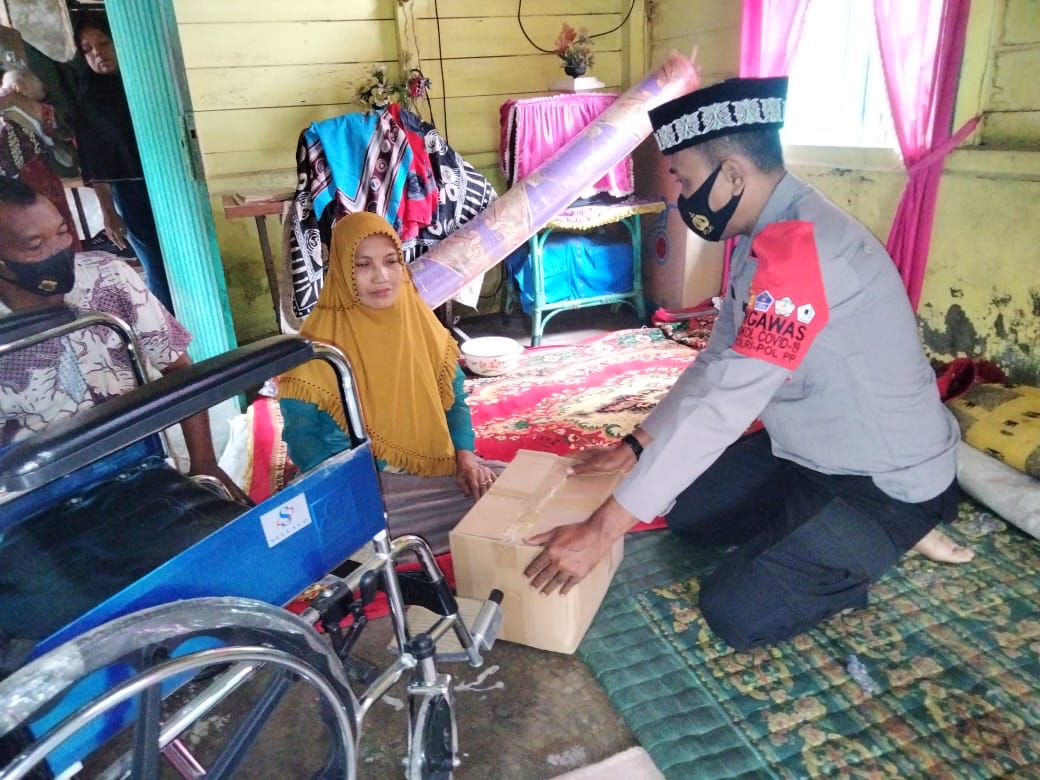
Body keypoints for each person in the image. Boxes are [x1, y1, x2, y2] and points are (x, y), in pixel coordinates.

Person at [523, 76, 970, 650]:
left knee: (735, 611)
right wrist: (635, 445)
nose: (682, 196)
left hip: (884, 482)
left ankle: (899, 531)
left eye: (685, 180)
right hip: (807, 453)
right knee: (689, 513)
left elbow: (727, 404)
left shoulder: (801, 250)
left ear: (732, 175)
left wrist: (600, 530)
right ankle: (815, 530)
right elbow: (716, 362)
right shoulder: (767, 233)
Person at [0, 176, 245, 503]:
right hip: (34, 498)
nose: (59, 249)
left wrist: (204, 464)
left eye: (62, 232)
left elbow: (178, 369)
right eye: (35, 245)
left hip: (140, 464)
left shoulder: (108, 277)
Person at [278, 211, 501, 554]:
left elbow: (454, 403)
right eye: (362, 265)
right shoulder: (318, 346)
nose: (381, 276)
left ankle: (387, 543)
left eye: (391, 261)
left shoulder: (424, 327)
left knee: (502, 485)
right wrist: (354, 486)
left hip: (433, 467)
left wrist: (466, 457)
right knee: (333, 524)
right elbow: (302, 436)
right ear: (341, 271)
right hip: (357, 481)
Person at [70, 17, 173, 312]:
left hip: (170, 184)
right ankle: (168, 328)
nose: (98, 53)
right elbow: (95, 162)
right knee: (156, 266)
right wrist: (108, 212)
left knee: (185, 258)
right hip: (130, 194)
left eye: (104, 43)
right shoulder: (88, 100)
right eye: (88, 49)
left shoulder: (148, 86)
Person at [0, 67, 80, 248]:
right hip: (27, 180)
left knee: (46, 226)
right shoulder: (14, 107)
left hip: (36, 178)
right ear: (18, 87)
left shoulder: (36, 111)